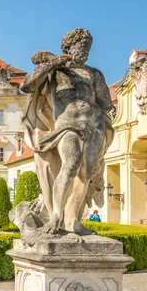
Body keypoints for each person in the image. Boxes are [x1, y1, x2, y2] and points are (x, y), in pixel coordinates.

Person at [20, 28, 114, 235]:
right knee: (71, 166)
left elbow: (105, 102)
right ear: (69, 46)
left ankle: (73, 221)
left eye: (88, 46)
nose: (86, 50)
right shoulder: (56, 71)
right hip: (67, 126)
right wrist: (52, 63)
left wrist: (106, 117)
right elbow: (26, 86)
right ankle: (56, 216)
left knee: (86, 172)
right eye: (82, 45)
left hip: (94, 125)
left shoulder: (94, 73)